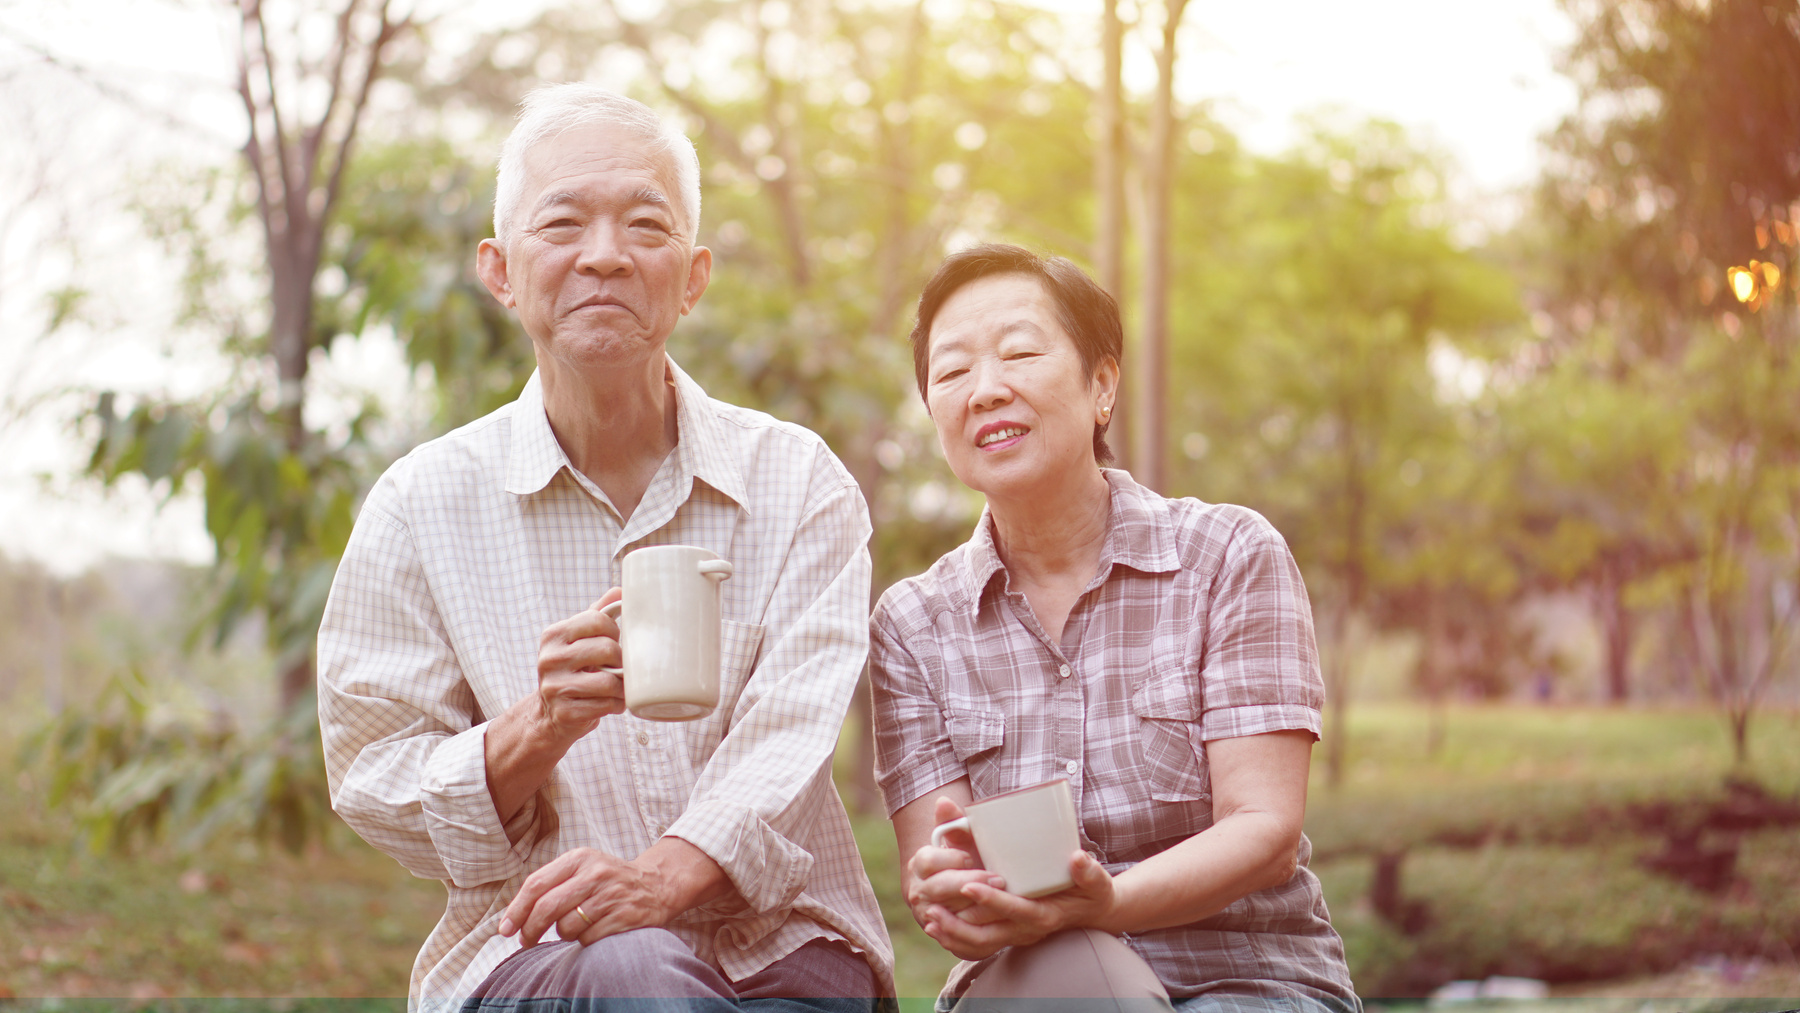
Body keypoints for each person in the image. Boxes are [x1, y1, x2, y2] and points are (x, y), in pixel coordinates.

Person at [317, 83, 892, 1011]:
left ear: (694, 277)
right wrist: (535, 728)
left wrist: (663, 878)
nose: (605, 257)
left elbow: (790, 730)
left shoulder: (801, 482)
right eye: (564, 224)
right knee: (635, 971)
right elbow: (375, 776)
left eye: (645, 227)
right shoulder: (420, 506)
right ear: (501, 272)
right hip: (536, 953)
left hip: (778, 949)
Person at [868, 244, 1358, 1012]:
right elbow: (936, 865)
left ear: (1102, 386)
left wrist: (1107, 904)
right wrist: (948, 890)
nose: (986, 389)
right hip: (1030, 981)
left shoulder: (1227, 556)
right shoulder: (910, 624)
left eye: (1021, 353)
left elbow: (1262, 828)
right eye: (953, 371)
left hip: (1244, 974)